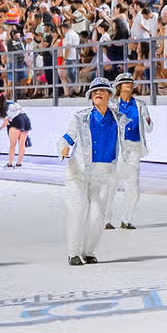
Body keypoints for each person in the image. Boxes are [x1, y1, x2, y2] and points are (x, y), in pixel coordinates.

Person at [58, 78, 124, 266]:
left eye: (102, 90)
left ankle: (88, 252)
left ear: (109, 95)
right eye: (94, 91)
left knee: (97, 215)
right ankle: (73, 252)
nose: (98, 93)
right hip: (78, 171)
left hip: (105, 172)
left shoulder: (119, 119)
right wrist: (63, 148)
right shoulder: (81, 117)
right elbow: (68, 137)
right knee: (78, 211)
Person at [106, 72, 154, 228]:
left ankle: (126, 219)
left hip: (133, 149)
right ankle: (105, 219)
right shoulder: (112, 104)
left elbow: (149, 128)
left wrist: (147, 119)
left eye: (131, 83)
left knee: (133, 187)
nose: (129, 85)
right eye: (126, 83)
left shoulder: (140, 104)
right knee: (110, 185)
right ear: (119, 86)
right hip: (116, 149)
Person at [0, 96, 33, 168]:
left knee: (13, 145)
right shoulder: (13, 103)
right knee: (22, 144)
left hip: (17, 120)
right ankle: (19, 163)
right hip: (26, 119)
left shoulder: (3, 107)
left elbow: (6, 122)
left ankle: (10, 164)